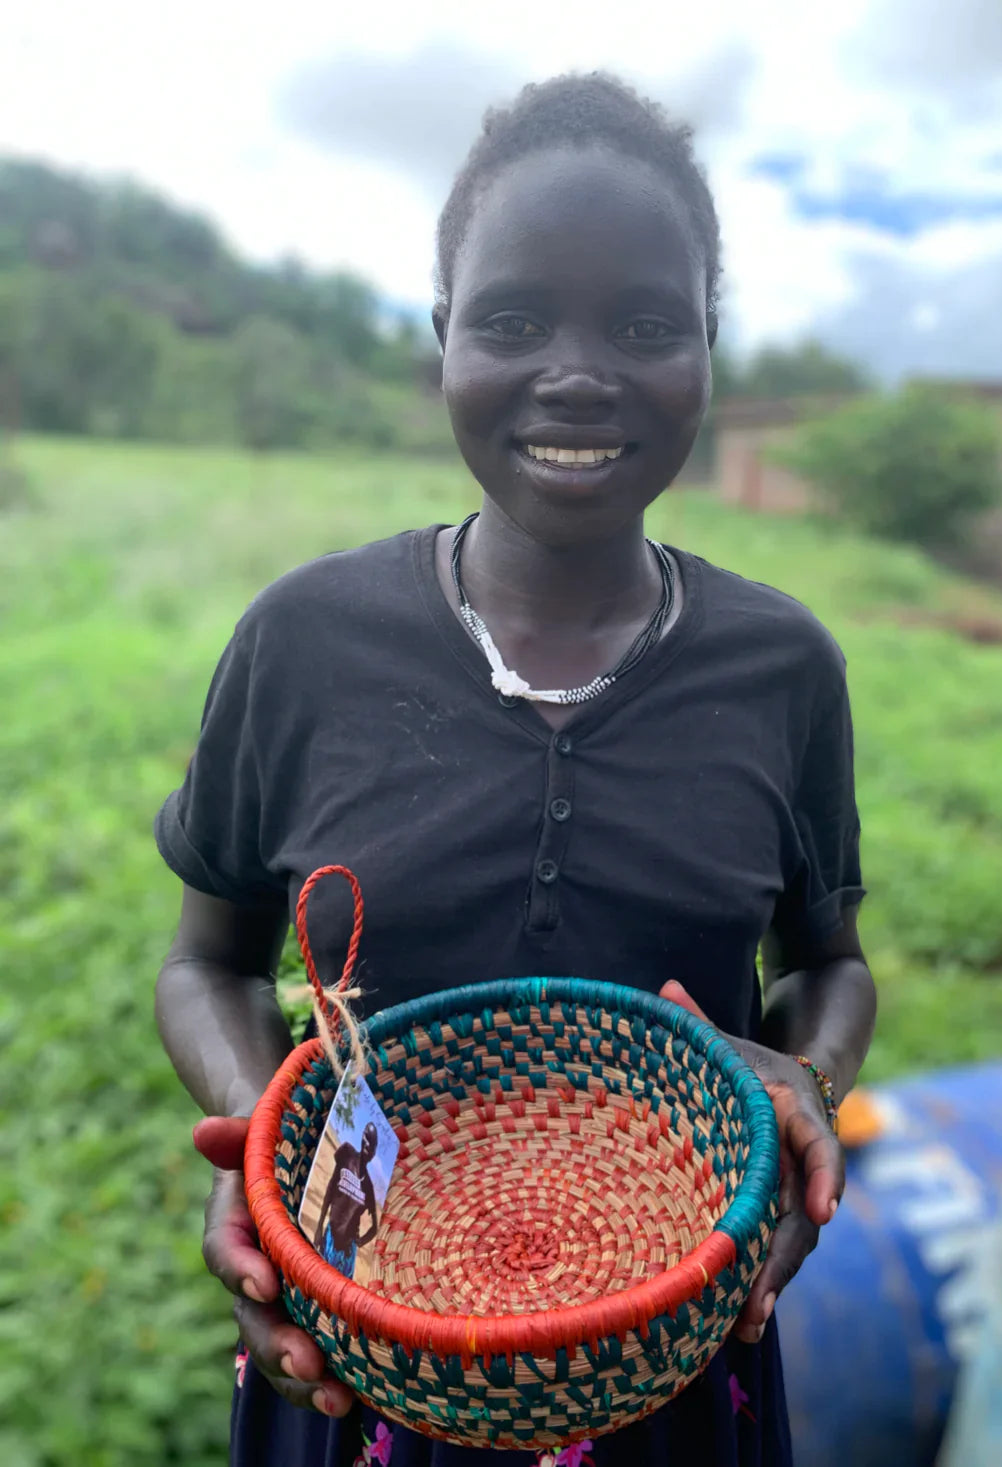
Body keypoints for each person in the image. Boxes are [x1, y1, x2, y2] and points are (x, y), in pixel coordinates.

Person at [156, 72, 876, 1467]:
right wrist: (273, 1150)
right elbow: (206, 960)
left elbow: (828, 957)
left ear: (709, 353)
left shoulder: (784, 667)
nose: (579, 371)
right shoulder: (303, 641)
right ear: (442, 341)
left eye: (647, 324)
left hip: (676, 1358)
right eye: (514, 318)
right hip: (360, 1349)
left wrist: (806, 1074)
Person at [313, 1121, 379, 1278]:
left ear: (374, 1153)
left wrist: (361, 1241)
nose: (367, 1144)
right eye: (366, 1137)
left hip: (348, 1252)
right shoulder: (346, 1155)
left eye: (372, 1143)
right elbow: (329, 1191)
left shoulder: (368, 1187)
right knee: (319, 1278)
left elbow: (375, 1227)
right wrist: (319, 1226)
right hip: (330, 1238)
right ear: (362, 1137)